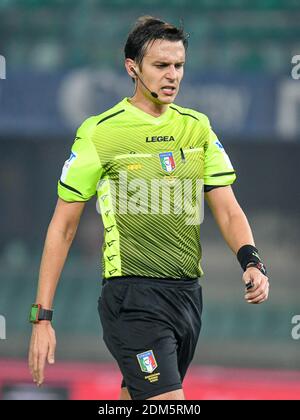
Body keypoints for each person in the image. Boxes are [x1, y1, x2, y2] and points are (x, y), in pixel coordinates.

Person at [28, 16, 269, 400]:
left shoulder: (198, 128)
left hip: (188, 296)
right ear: (132, 68)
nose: (172, 75)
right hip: (132, 298)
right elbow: (63, 227)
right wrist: (42, 318)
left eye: (179, 66)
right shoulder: (100, 131)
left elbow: (227, 209)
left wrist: (252, 261)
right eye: (161, 66)